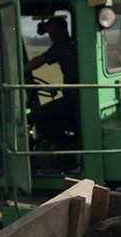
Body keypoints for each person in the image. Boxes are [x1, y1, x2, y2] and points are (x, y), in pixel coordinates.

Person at [25, 17, 80, 154]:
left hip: (74, 100)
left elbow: (39, 61)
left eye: (54, 31)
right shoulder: (71, 44)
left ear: (64, 30)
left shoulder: (62, 46)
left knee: (39, 114)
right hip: (74, 97)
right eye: (50, 32)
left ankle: (57, 149)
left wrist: (19, 71)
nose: (52, 36)